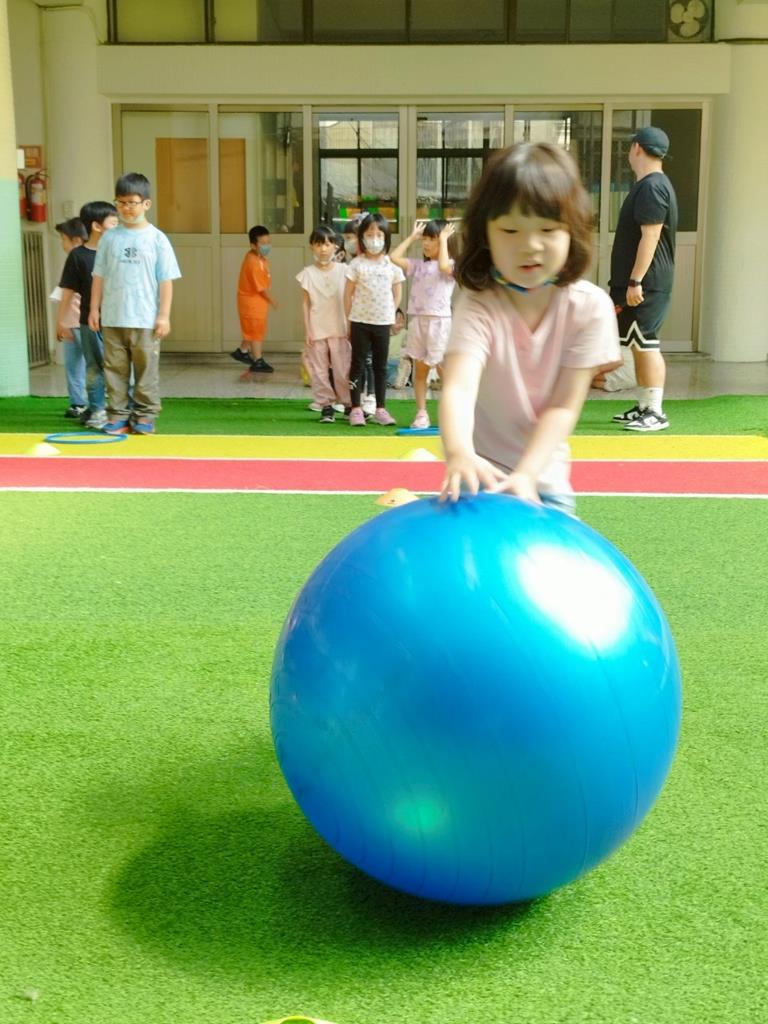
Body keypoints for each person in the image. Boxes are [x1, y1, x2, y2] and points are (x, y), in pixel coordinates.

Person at [440, 142, 620, 513]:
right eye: (510, 230)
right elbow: (459, 386)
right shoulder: (479, 303)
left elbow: (562, 406)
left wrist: (526, 475)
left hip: (544, 484)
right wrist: (459, 453)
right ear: (485, 234)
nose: (530, 246)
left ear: (573, 231)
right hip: (479, 478)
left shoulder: (589, 308)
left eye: (548, 229)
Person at [88, 172, 181, 435]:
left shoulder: (157, 239)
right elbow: (98, 276)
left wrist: (164, 315)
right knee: (114, 370)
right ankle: (117, 415)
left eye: (132, 202)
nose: (126, 208)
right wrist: (94, 309)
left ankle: (145, 415)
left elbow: (166, 280)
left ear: (146, 204)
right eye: (121, 202)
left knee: (146, 370)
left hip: (145, 319)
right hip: (113, 318)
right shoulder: (109, 238)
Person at [608, 125, 678, 432]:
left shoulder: (652, 187)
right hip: (639, 282)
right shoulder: (651, 185)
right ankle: (643, 405)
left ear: (637, 148)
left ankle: (655, 411)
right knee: (638, 343)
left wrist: (635, 281)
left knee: (647, 343)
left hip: (646, 283)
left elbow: (651, 236)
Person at [57, 202, 119, 429]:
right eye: (113, 222)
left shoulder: (118, 252)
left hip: (119, 320)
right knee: (94, 367)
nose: (118, 226)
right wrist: (62, 321)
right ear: (96, 226)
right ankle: (97, 409)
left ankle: (122, 410)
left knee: (122, 367)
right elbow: (68, 291)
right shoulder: (78, 256)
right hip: (89, 321)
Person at [390, 219, 456, 428]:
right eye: (424, 239)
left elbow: (444, 266)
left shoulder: (452, 265)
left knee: (444, 371)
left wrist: (443, 239)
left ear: (444, 241)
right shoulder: (419, 265)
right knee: (420, 370)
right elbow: (394, 257)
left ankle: (453, 415)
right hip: (418, 321)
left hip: (439, 322)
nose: (426, 243)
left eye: (432, 239)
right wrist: (412, 237)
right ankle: (421, 413)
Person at [344, 213, 405, 426]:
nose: (374, 239)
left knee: (381, 366)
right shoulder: (356, 264)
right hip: (360, 322)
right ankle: (356, 408)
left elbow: (398, 292)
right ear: (362, 237)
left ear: (386, 237)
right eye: (370, 235)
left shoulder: (391, 266)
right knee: (358, 364)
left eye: (379, 235)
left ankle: (380, 408)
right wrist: (349, 320)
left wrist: (390, 312)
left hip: (382, 323)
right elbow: (347, 294)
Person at [296, 224, 351, 423]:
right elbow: (305, 303)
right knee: (319, 370)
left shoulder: (345, 270)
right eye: (319, 245)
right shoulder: (307, 273)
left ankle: (348, 403)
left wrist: (350, 324)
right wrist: (307, 330)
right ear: (312, 247)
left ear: (335, 246)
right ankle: (326, 405)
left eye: (327, 244)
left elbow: (351, 299)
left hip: (340, 327)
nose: (323, 249)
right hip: (317, 326)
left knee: (342, 368)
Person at [51, 217, 88, 419]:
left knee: (88, 364)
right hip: (73, 321)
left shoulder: (80, 259)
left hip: (80, 321)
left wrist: (61, 321)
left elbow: (67, 293)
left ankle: (88, 403)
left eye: (63, 239)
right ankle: (78, 402)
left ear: (76, 240)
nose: (61, 243)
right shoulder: (74, 260)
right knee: (75, 364)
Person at [231, 225, 278, 374]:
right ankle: (258, 360)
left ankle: (242, 351)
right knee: (256, 331)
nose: (267, 246)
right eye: (263, 243)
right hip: (252, 302)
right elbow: (261, 288)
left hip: (256, 302)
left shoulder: (257, 257)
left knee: (251, 329)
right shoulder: (253, 262)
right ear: (253, 245)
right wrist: (272, 300)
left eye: (268, 242)